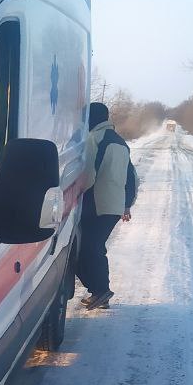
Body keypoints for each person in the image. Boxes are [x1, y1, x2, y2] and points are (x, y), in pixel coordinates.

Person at [75, 102, 137, 309]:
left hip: (96, 204)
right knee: (94, 247)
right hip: (113, 206)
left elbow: (89, 174)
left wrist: (73, 193)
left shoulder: (95, 138)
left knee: (85, 249)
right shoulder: (120, 142)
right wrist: (127, 204)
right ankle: (101, 293)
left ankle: (100, 290)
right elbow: (132, 177)